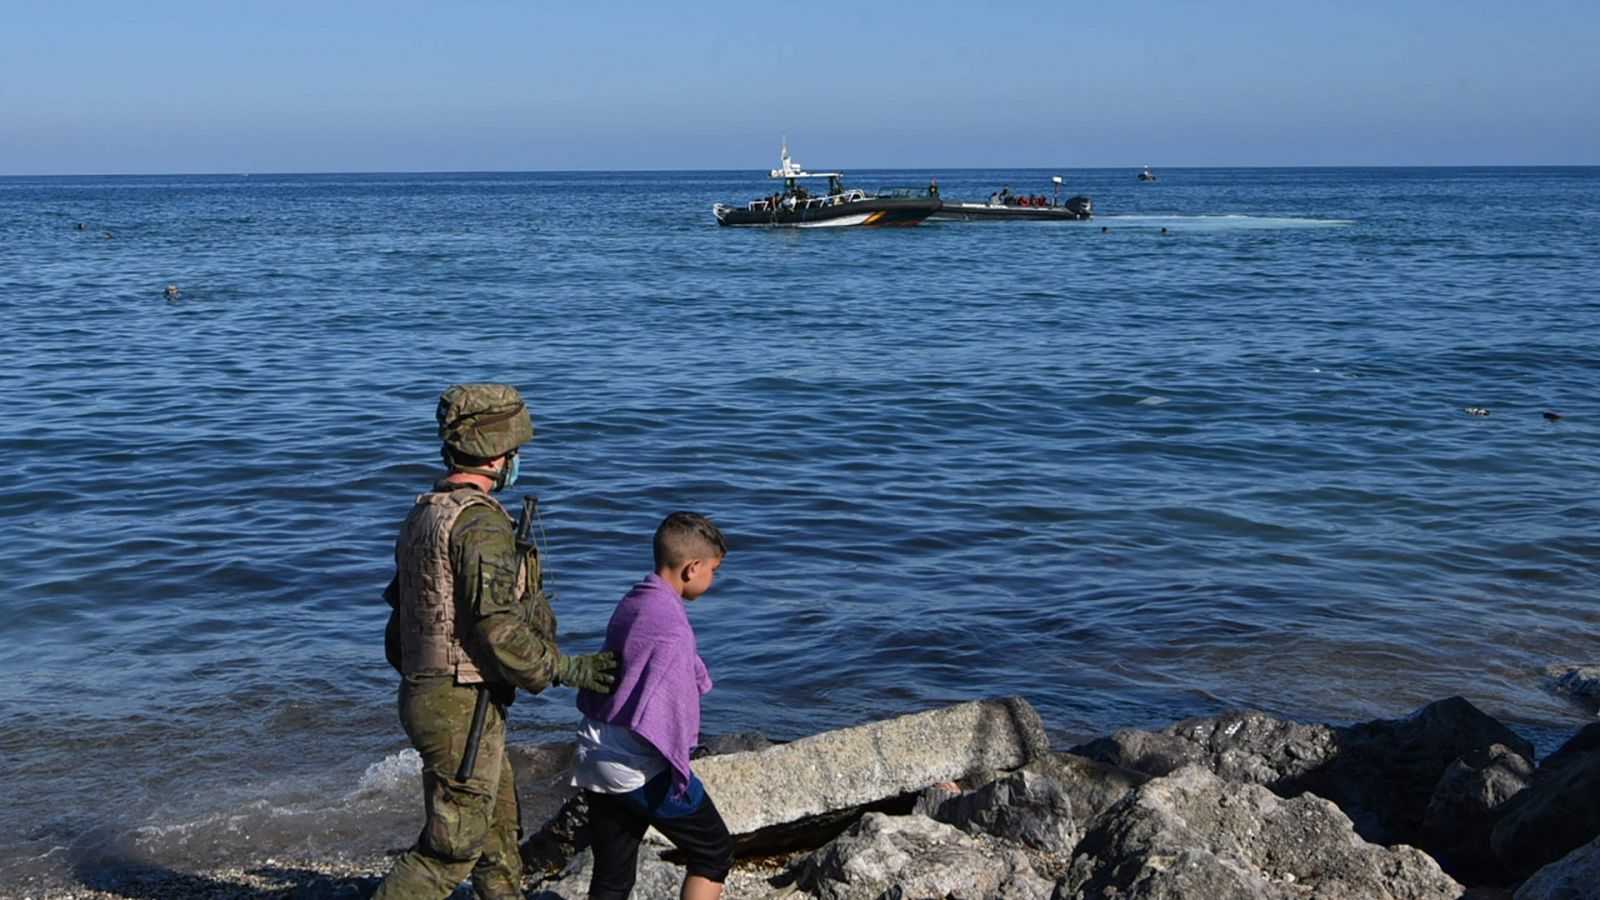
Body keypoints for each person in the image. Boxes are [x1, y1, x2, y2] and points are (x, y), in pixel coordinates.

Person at [375, 383, 619, 900]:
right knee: (453, 847)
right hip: (457, 700)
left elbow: (401, 624)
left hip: (436, 693)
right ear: (498, 453)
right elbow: (496, 627)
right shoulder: (479, 523)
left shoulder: (425, 513)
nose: (518, 463)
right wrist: (566, 668)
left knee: (497, 832)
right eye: (516, 453)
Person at [573, 512, 734, 900]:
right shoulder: (674, 629)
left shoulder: (636, 600)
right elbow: (667, 713)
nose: (713, 580)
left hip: (594, 749)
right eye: (713, 570)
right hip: (634, 766)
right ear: (692, 568)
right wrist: (680, 765)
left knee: (613, 876)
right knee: (714, 852)